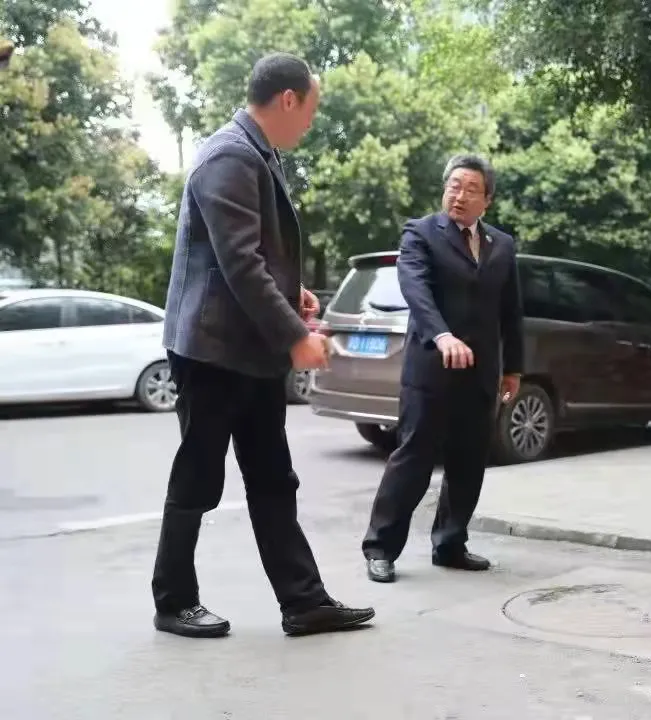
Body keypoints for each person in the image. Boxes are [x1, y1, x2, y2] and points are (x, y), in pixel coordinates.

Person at [153, 53, 374, 638]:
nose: (311, 122)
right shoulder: (229, 154)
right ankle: (173, 600)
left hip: (247, 350)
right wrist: (296, 338)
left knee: (274, 477)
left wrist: (293, 295)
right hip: (211, 350)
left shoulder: (257, 153)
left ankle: (304, 602)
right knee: (199, 475)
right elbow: (239, 265)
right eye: (311, 109)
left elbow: (252, 257)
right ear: (288, 99)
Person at [362, 153, 525, 584]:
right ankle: (380, 548)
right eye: (454, 186)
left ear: (487, 200)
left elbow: (510, 311)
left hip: (481, 372)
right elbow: (415, 289)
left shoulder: (502, 245)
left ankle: (450, 543)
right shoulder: (420, 233)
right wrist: (442, 335)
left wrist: (514, 368)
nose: (460, 195)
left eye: (471, 189)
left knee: (468, 461)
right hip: (430, 369)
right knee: (413, 459)